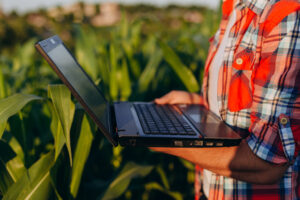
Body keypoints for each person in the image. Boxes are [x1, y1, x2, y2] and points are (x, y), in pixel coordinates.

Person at [151, 0, 300, 199]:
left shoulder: (286, 13)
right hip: (210, 190)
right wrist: (195, 103)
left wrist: (168, 141)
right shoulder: (234, 8)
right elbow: (239, 104)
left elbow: (270, 164)